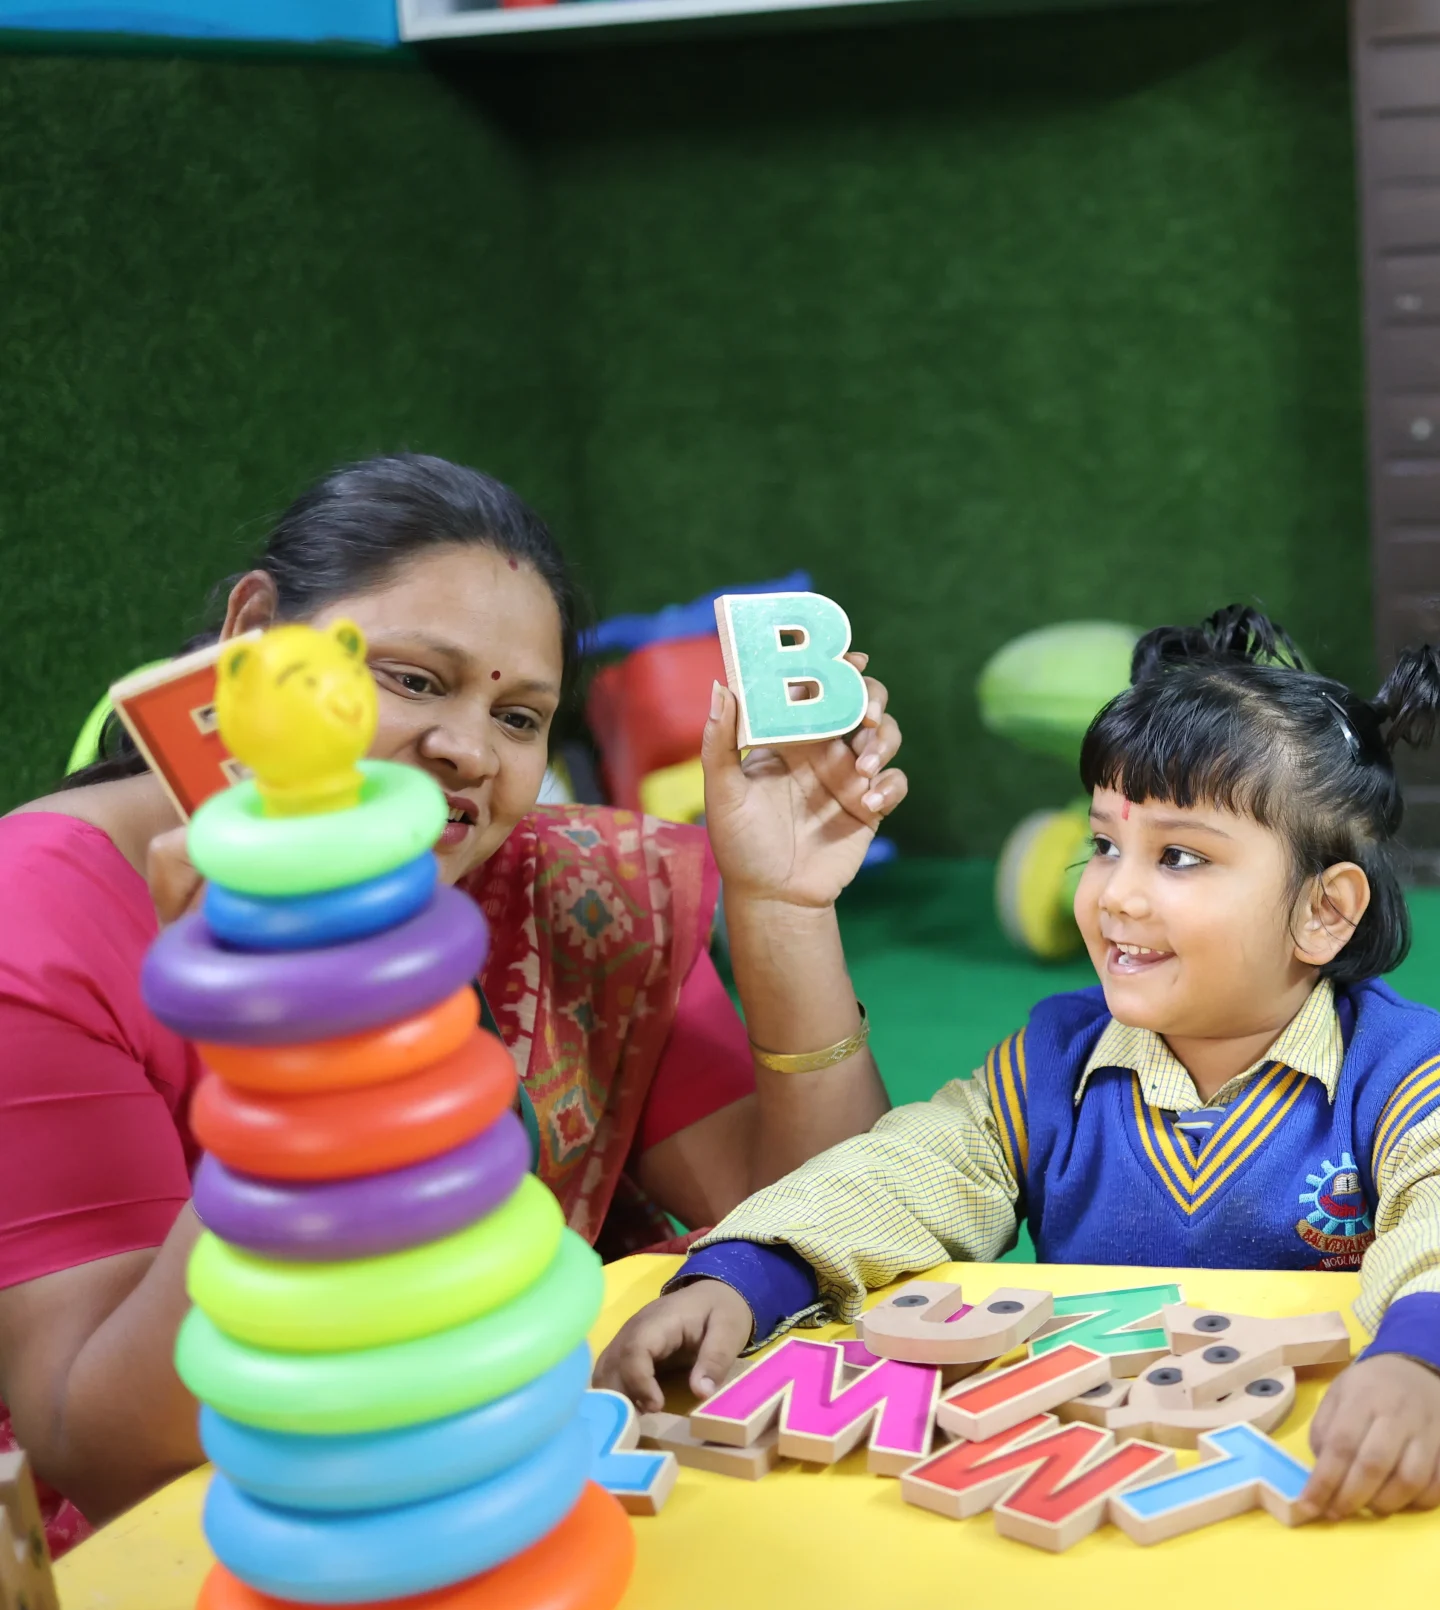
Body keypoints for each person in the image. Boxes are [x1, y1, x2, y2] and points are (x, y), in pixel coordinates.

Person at [0, 454, 906, 1547]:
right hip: (210, 1564)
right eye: (415, 680)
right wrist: (303, 1081)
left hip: (509, 1504)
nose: (468, 752)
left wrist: (783, 904)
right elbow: (99, 1449)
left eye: (519, 717)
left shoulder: (561, 890)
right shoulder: (35, 920)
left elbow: (814, 1229)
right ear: (253, 635)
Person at [596, 605, 1440, 1522]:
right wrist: (744, 1276)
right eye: (1103, 843)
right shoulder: (1054, 1063)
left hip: (1315, 1469)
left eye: (1179, 856)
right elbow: (905, 1173)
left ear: (1325, 911)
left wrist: (1425, 1361)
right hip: (1102, 1478)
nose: (1115, 893)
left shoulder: (1404, 1074)